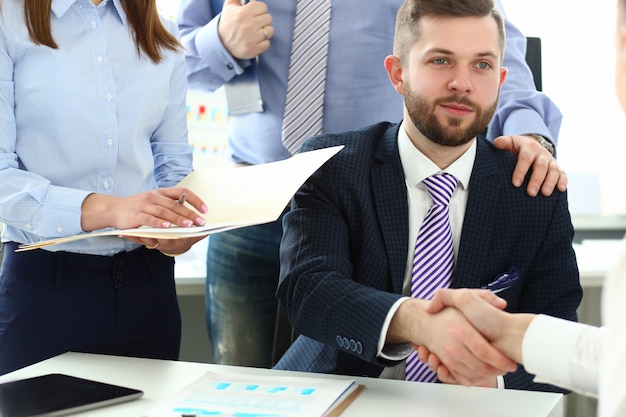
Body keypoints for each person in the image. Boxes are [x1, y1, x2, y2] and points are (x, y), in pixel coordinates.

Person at [176, 0, 568, 368]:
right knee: (241, 378)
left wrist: (530, 136)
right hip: (251, 196)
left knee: (374, 359)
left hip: (371, 193)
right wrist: (220, 43)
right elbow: (164, 62)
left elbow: (483, 40)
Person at [273, 0, 582, 391]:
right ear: (398, 74)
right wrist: (418, 322)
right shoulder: (332, 164)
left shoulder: (532, 188)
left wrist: (495, 380)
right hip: (340, 393)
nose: (462, 83)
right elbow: (309, 289)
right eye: (441, 61)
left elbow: (559, 334)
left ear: (501, 80)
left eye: (482, 65)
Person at [0, 0, 209, 376]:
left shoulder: (162, 31)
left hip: (149, 288)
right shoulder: (8, 20)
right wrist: (112, 210)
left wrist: (179, 224)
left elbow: (174, 163)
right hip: (45, 291)